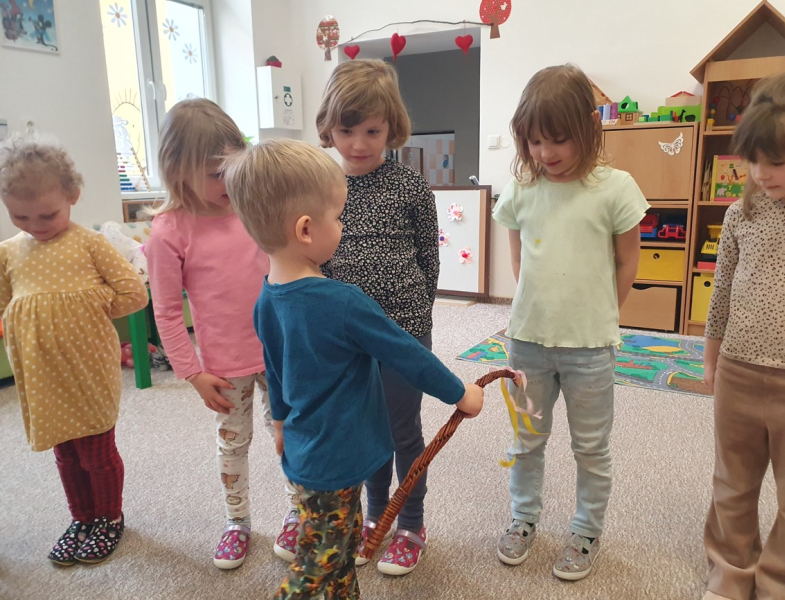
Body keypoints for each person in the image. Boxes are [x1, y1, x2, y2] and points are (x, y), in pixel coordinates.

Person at [223, 138, 484, 599]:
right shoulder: (343, 301)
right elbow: (407, 353)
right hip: (338, 461)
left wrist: (279, 420)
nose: (343, 227)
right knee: (318, 565)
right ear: (306, 230)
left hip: (303, 452)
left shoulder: (267, 296)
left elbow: (274, 369)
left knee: (338, 553)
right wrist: (460, 393)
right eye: (338, 218)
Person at [492, 64, 648, 580]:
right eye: (535, 141)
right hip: (528, 344)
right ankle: (523, 518)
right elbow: (520, 262)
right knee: (526, 440)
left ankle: (585, 530)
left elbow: (627, 262)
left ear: (590, 126)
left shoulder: (615, 188)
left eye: (558, 139)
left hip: (589, 349)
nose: (545, 153)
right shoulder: (521, 189)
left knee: (591, 447)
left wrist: (602, 315)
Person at [145, 99, 296, 570]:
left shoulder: (253, 209)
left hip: (278, 353)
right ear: (178, 171)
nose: (229, 182)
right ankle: (238, 522)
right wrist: (191, 373)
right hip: (223, 367)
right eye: (216, 174)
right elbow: (167, 312)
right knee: (233, 444)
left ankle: (298, 512)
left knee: (290, 434)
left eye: (233, 169)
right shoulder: (167, 232)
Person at [315, 58, 441, 575]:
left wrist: (416, 325)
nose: (359, 143)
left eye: (372, 131)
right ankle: (375, 515)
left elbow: (428, 260)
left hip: (401, 333)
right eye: (347, 131)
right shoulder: (320, 187)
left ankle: (410, 523)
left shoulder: (410, 187)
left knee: (402, 431)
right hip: (346, 338)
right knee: (364, 432)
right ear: (329, 128)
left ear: (392, 128)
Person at [0, 135, 149, 565]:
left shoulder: (90, 243)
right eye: (20, 216)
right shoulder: (8, 253)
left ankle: (109, 518)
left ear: (73, 196)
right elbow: (6, 303)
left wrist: (86, 308)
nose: (36, 224)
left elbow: (134, 293)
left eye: (48, 214)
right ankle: (81, 517)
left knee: (96, 454)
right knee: (65, 454)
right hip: (42, 377)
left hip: (88, 371)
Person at [702, 69, 785, 600]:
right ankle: (731, 571)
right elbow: (720, 295)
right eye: (753, 160)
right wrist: (711, 359)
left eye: (776, 161)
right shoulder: (742, 214)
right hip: (738, 370)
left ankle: (783, 581)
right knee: (732, 483)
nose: (761, 173)